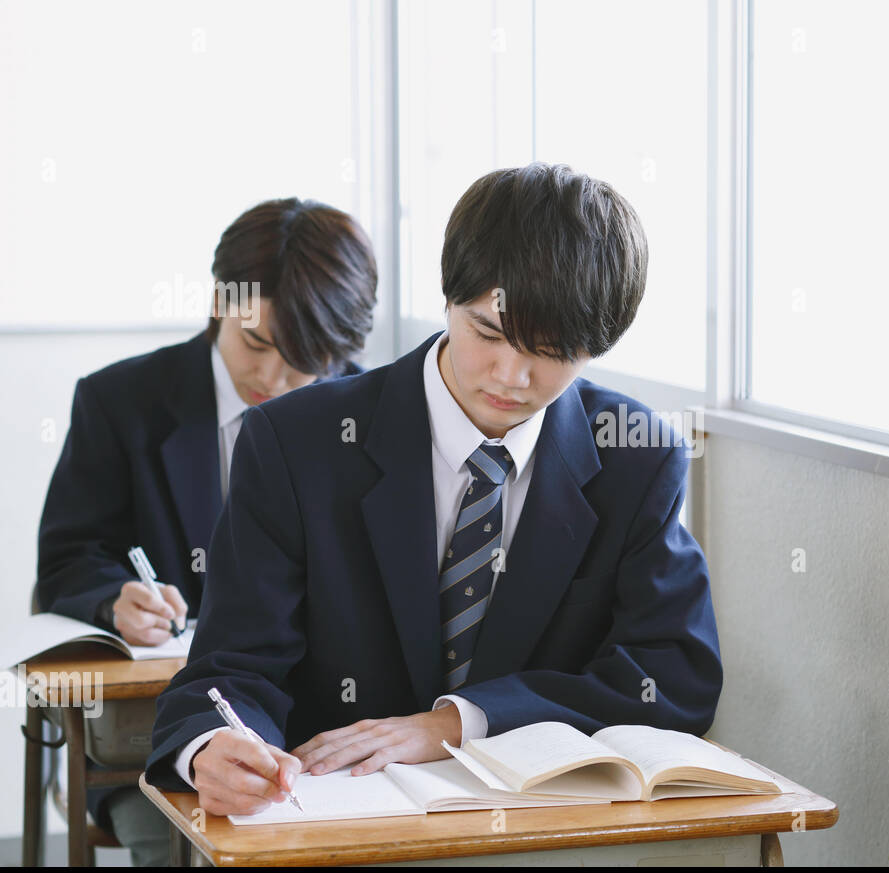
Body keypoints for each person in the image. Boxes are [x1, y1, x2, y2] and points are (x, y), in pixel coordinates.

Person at [145, 163, 724, 819]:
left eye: (553, 350)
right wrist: (215, 744)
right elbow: (230, 667)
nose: (512, 376)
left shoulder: (636, 454)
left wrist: (453, 724)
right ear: (448, 297)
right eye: (487, 332)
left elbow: (673, 676)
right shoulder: (293, 440)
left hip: (546, 839)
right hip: (333, 833)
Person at [36, 197, 377, 863]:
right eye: (255, 343)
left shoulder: (372, 419)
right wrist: (113, 600)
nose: (272, 379)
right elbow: (68, 558)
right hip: (155, 741)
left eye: (304, 361)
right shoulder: (121, 403)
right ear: (220, 300)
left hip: (327, 737)